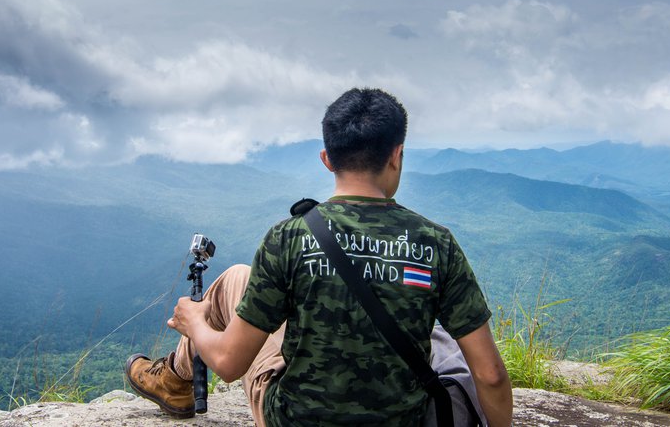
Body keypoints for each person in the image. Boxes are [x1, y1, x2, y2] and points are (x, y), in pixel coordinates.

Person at [125, 88, 512, 427]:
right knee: (439, 331)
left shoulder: (287, 238)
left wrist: (195, 322)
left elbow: (227, 364)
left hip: (295, 419)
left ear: (327, 159)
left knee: (232, 281)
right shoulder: (436, 243)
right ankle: (175, 380)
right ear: (397, 155)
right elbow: (491, 375)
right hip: (404, 419)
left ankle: (174, 381)